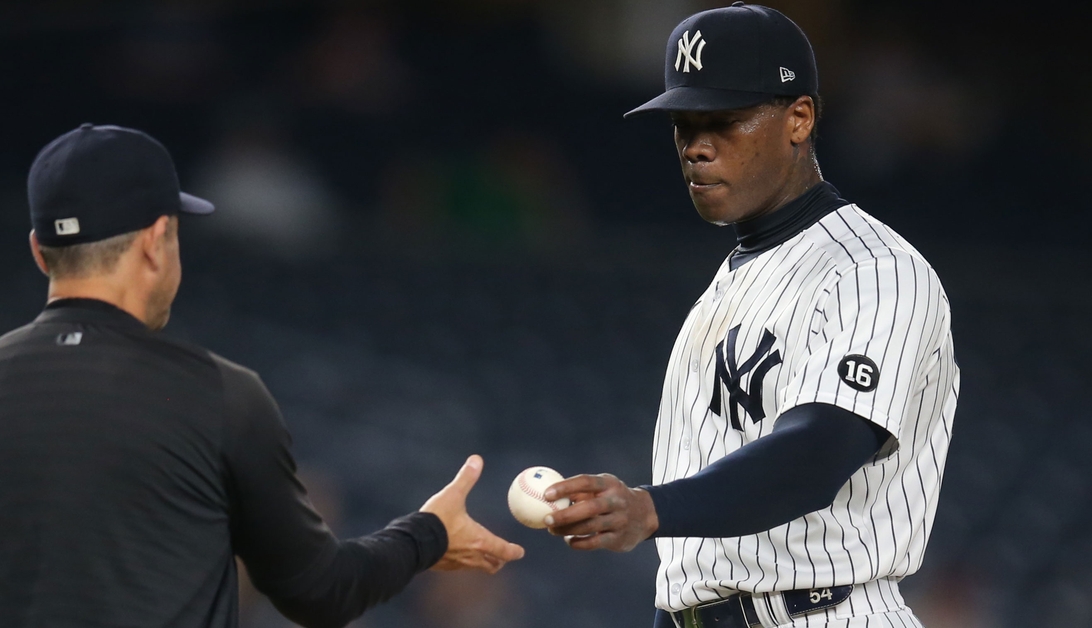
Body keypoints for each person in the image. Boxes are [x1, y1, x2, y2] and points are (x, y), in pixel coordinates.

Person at [0, 124, 524, 628]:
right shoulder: (219, 394)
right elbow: (321, 592)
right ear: (156, 242)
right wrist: (429, 535)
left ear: (39, 252)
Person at [542, 4, 959, 628]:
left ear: (799, 118)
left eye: (725, 122)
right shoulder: (730, 285)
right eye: (685, 124)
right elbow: (697, 570)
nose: (697, 148)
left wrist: (650, 509)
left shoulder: (871, 271)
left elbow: (820, 451)